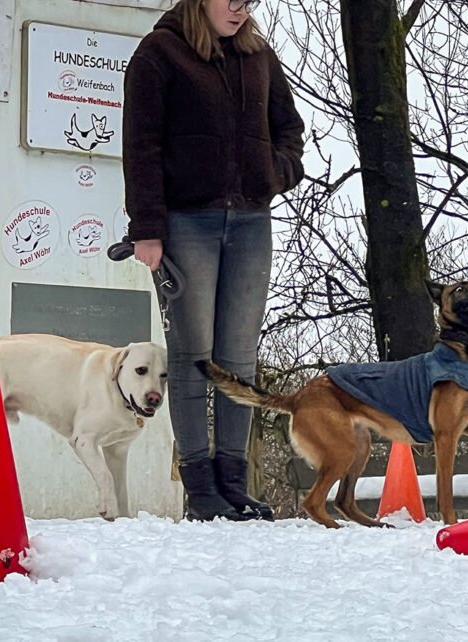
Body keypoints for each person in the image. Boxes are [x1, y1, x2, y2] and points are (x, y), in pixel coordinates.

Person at [122, 0, 305, 521]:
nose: (242, 8)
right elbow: (141, 146)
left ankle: (232, 483)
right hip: (186, 224)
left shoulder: (259, 55)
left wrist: (275, 172)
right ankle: (200, 487)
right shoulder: (160, 53)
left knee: (237, 356)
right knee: (193, 355)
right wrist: (148, 229)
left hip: (250, 224)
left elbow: (290, 130)